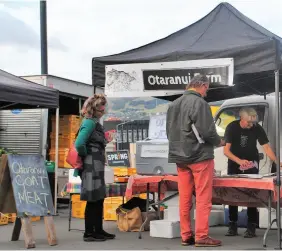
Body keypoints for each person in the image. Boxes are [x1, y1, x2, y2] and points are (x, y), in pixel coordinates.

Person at [166, 74, 224, 247]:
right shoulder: (200, 103)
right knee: (203, 197)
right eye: (207, 88)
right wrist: (218, 142)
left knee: (184, 197)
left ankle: (186, 236)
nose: (207, 92)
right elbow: (207, 131)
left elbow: (169, 132)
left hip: (179, 157)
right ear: (204, 85)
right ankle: (202, 236)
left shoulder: (173, 104)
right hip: (199, 156)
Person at [224, 107, 282, 238]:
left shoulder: (257, 128)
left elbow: (266, 147)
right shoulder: (232, 127)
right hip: (234, 163)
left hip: (252, 163)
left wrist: (278, 162)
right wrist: (239, 161)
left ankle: (251, 226)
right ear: (241, 119)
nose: (251, 125)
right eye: (248, 123)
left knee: (251, 193)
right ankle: (232, 224)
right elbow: (226, 151)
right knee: (233, 193)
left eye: (253, 122)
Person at [75, 94, 115, 242]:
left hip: (96, 165)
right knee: (93, 199)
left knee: (98, 198)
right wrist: (87, 155)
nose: (103, 111)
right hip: (91, 165)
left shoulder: (94, 122)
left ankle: (97, 229)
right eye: (100, 108)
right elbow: (79, 144)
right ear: (93, 108)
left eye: (104, 108)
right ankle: (89, 232)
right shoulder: (89, 123)